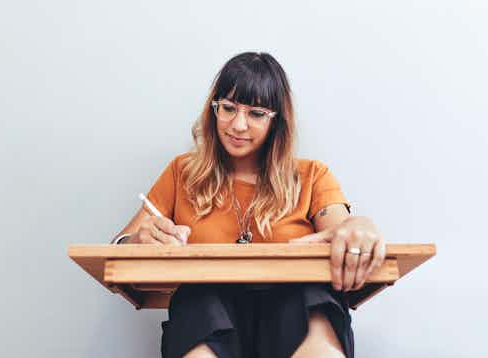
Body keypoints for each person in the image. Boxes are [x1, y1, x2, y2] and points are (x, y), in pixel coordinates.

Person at [112, 52, 386, 358]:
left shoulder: (311, 176)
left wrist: (358, 227)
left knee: (313, 296)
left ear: (276, 120)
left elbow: (342, 229)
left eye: (256, 114)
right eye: (228, 109)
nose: (238, 125)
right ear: (213, 110)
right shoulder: (182, 173)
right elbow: (118, 248)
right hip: (207, 317)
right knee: (196, 295)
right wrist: (137, 240)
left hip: (293, 317)